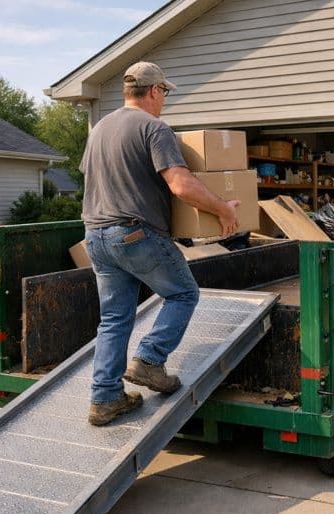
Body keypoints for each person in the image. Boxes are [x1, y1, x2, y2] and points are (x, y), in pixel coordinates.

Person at [80, 62, 240, 426]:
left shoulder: (100, 129)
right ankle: (150, 360)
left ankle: (105, 399)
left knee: (113, 319)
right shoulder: (154, 128)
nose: (164, 100)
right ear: (154, 91)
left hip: (96, 235)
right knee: (183, 293)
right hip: (135, 234)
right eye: (164, 92)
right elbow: (181, 186)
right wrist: (222, 209)